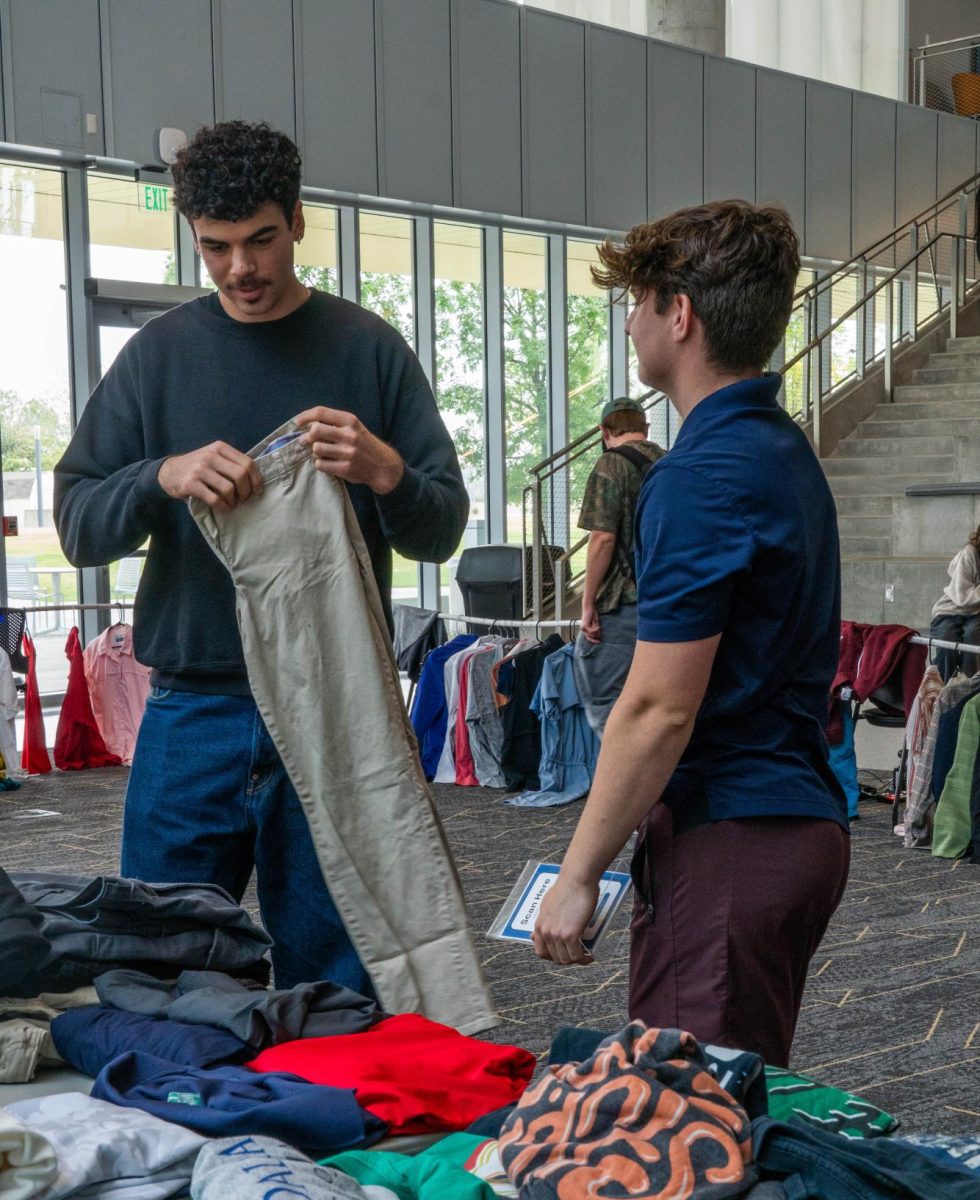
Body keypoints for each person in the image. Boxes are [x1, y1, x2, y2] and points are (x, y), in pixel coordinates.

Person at [53, 121, 468, 994]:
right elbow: (79, 526)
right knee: (154, 974)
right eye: (216, 247)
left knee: (335, 981)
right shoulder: (157, 357)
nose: (240, 267)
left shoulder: (367, 349)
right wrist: (160, 475)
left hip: (335, 711)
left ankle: (328, 1129)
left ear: (300, 222)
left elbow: (441, 531)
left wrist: (388, 471)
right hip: (192, 710)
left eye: (260, 240)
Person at [531, 199, 850, 1068]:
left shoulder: (702, 473)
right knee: (725, 1114)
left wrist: (576, 872)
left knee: (680, 1126)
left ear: (680, 314)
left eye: (637, 300)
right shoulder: (777, 448)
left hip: (736, 836)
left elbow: (659, 709)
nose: (630, 319)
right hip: (786, 821)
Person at [573, 397, 664, 736]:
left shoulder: (610, 464)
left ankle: (622, 788)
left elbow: (602, 539)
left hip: (624, 604)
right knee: (658, 709)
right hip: (667, 600)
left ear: (604, 430)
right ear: (646, 428)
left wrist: (588, 603)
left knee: (607, 707)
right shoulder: (668, 462)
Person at [928, 525, 980, 681]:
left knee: (973, 639)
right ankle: (942, 692)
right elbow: (962, 597)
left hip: (976, 614)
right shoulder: (969, 554)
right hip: (950, 611)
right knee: (946, 642)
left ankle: (969, 690)